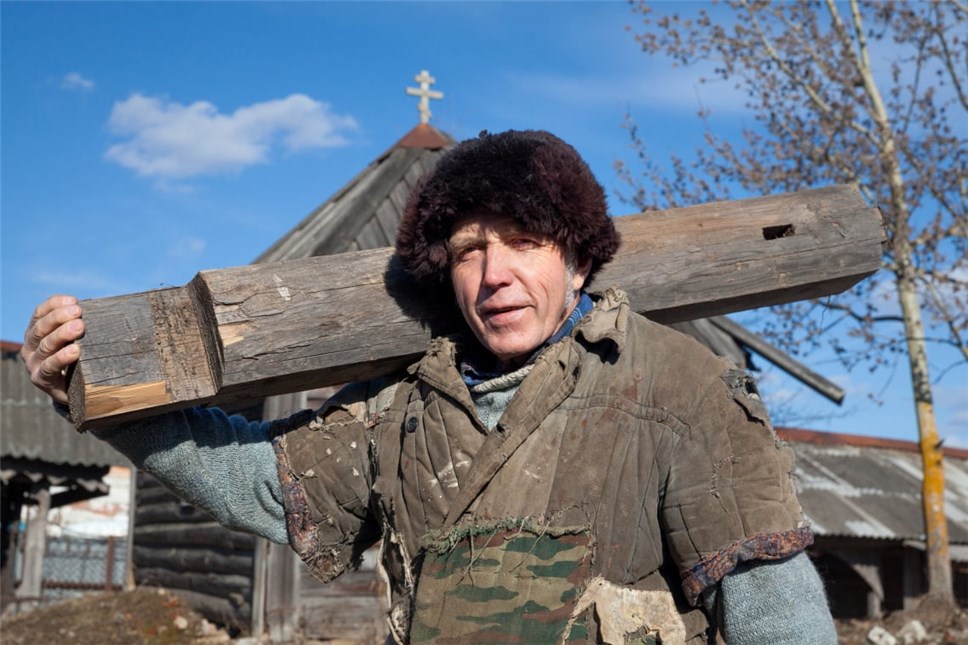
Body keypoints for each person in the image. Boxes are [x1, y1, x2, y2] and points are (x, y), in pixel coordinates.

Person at [23, 130, 836, 644]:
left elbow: (774, 610)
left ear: (580, 260)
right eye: (471, 250)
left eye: (526, 241)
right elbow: (261, 482)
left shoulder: (682, 387)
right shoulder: (405, 403)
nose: (495, 274)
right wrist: (89, 393)